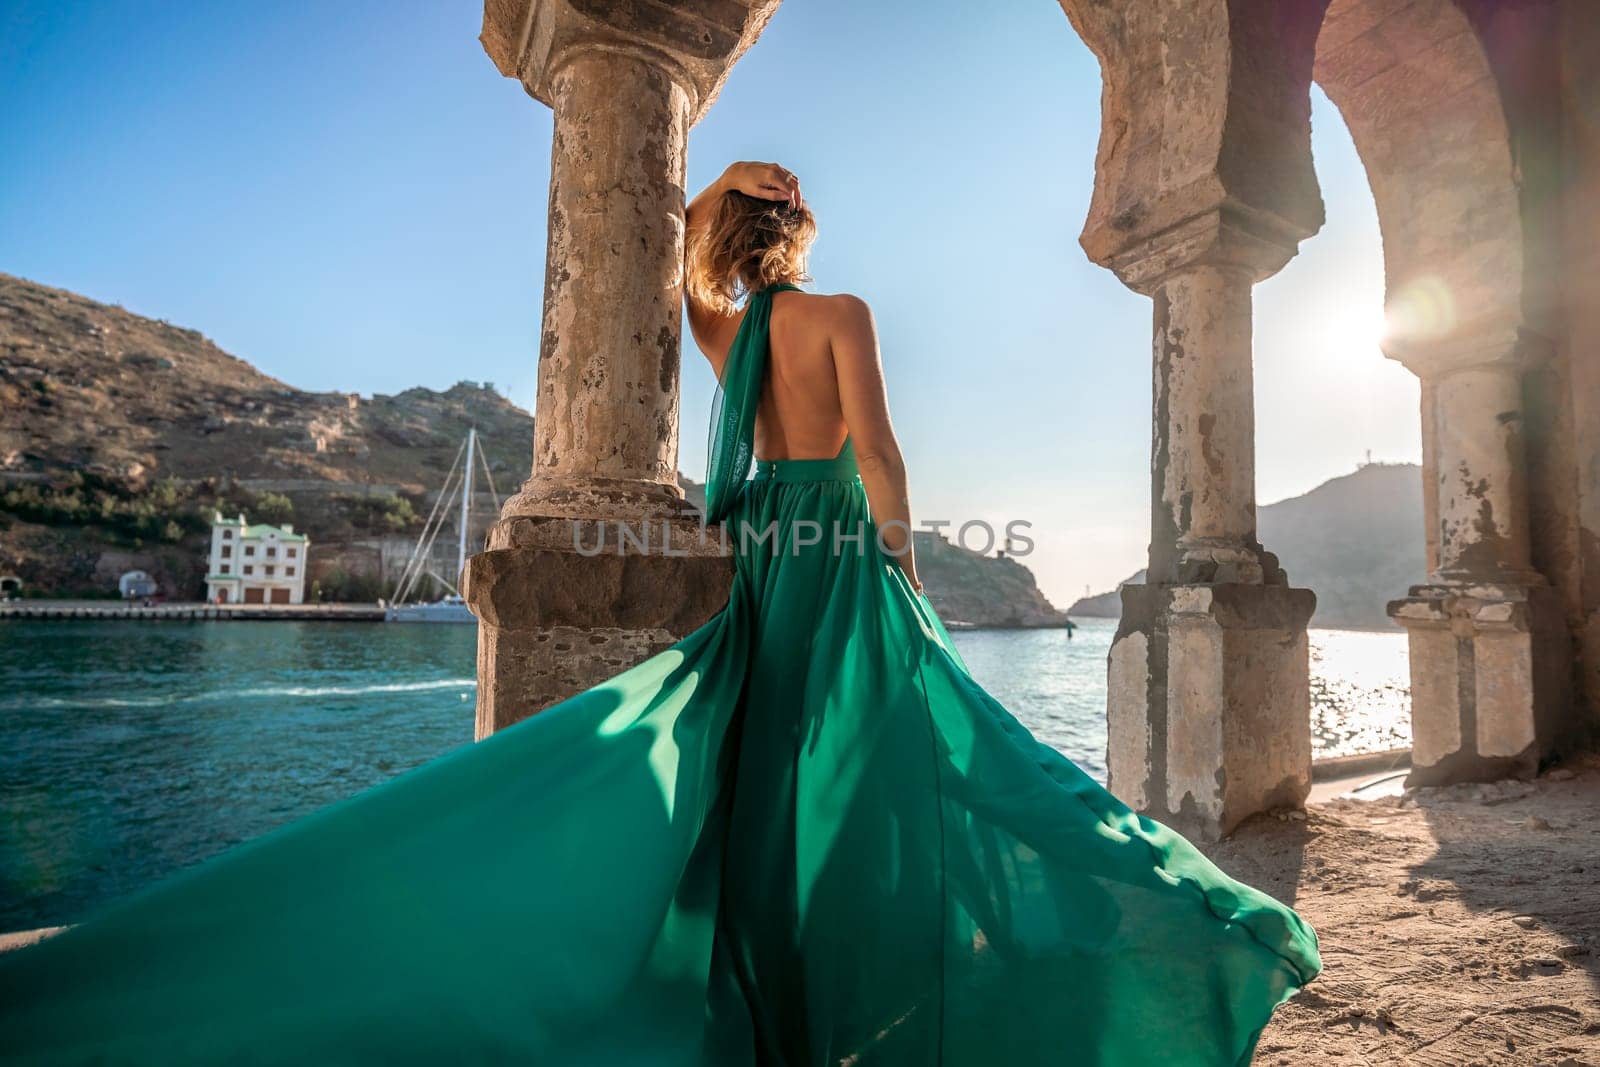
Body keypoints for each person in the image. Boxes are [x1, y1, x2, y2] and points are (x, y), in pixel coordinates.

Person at [0, 161, 1319, 1066]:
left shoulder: (724, 337)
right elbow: (880, 455)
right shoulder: (838, 313)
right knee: (954, 754)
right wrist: (906, 571)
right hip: (843, 562)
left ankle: (777, 1002)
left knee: (762, 791)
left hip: (763, 579)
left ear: (733, 243)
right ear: (795, 239)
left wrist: (736, 203)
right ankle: (1185, 927)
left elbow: (685, 238)